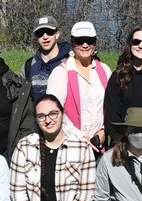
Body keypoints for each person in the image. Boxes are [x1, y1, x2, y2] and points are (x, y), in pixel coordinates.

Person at [10, 95, 96, 201]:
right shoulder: (24, 147)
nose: (48, 120)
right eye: (41, 116)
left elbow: (85, 194)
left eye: (53, 114)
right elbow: (17, 193)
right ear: (36, 120)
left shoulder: (82, 148)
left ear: (62, 114)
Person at [46, 21, 111, 154]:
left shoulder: (105, 70)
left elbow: (112, 106)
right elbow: (54, 112)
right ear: (72, 42)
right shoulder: (61, 73)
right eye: (80, 41)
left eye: (90, 41)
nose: (85, 45)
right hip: (70, 148)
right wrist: (81, 137)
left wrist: (105, 130)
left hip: (99, 148)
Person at [23, 15, 71, 100]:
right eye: (40, 33)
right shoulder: (28, 66)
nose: (45, 37)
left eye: (49, 32)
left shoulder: (70, 62)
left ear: (57, 34)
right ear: (36, 37)